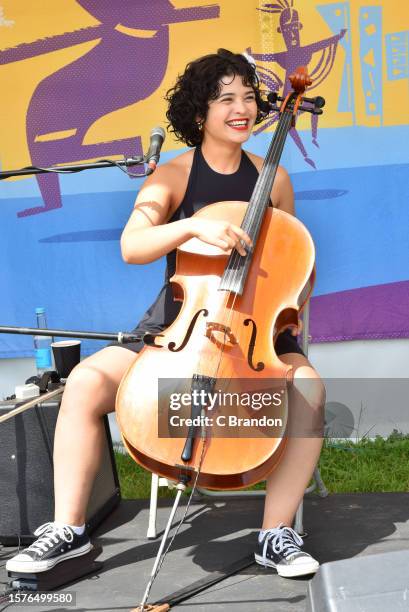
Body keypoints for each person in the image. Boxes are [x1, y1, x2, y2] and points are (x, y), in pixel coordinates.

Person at [7, 49, 325, 579]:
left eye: (248, 97)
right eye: (227, 99)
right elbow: (134, 245)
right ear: (200, 113)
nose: (242, 108)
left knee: (309, 391)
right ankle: (68, 531)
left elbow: (295, 261)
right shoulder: (173, 176)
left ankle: (275, 533)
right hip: (178, 327)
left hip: (256, 332)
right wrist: (191, 228)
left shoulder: (277, 182)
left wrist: (281, 314)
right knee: (85, 381)